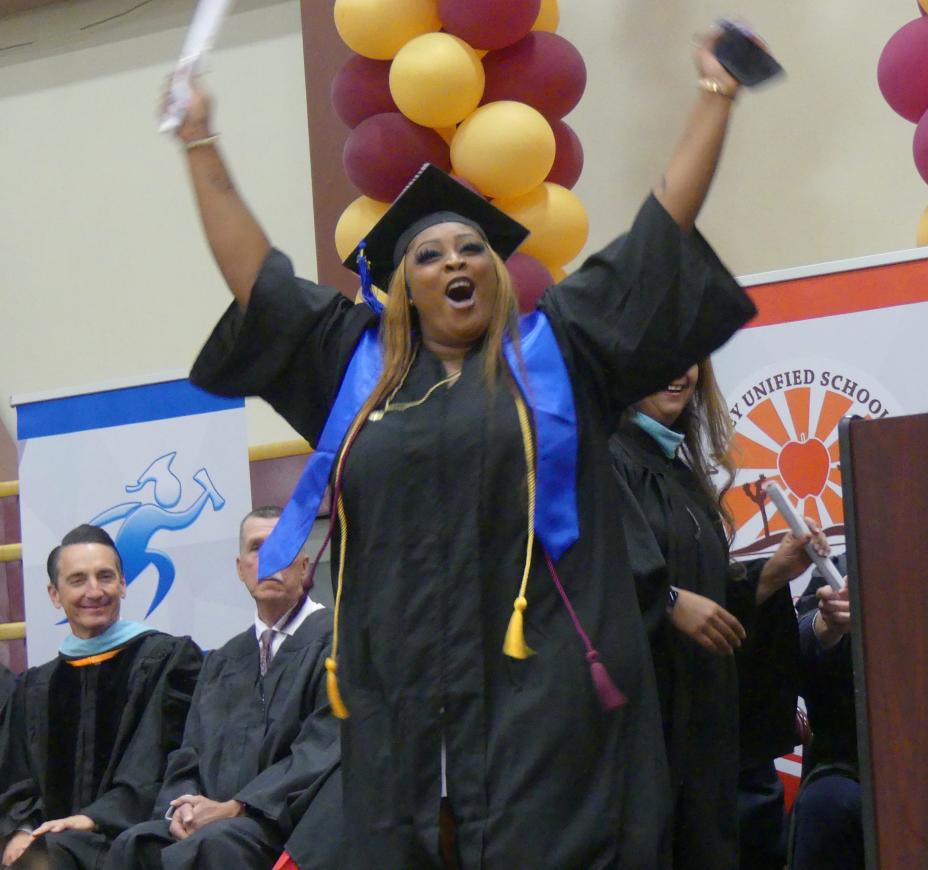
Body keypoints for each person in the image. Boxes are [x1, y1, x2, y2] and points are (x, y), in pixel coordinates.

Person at [176, 28, 758, 868]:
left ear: (496, 270)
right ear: (401, 285)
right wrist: (198, 138)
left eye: (472, 247)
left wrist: (716, 97)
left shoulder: (559, 353)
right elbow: (255, 277)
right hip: (400, 693)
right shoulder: (355, 368)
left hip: (546, 690)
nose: (456, 260)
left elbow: (661, 229)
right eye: (429, 253)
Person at [610, 361, 827, 869]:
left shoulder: (675, 469)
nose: (677, 371)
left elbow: (702, 597)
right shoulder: (604, 461)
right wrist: (664, 602)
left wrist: (770, 576)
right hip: (645, 737)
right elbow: (594, 586)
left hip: (699, 740)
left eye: (689, 356)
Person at [106, 507, 341, 869]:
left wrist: (237, 807)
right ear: (240, 567)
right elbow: (189, 752)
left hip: (286, 827)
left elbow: (321, 748)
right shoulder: (224, 660)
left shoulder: (335, 642)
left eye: (283, 546)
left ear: (305, 565)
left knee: (213, 846)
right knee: (133, 845)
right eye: (257, 548)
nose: (269, 559)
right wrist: (182, 808)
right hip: (214, 823)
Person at [0, 525, 201, 869]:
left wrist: (94, 818)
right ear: (54, 594)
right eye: (78, 580)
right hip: (50, 838)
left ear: (122, 584)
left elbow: (160, 759)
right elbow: (18, 775)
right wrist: (20, 830)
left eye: (105, 576)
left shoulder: (169, 660)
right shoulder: (36, 685)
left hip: (134, 833)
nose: (94, 591)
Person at [789, 556, 863, 870]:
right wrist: (827, 628)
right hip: (854, 767)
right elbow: (798, 653)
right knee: (829, 802)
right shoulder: (848, 565)